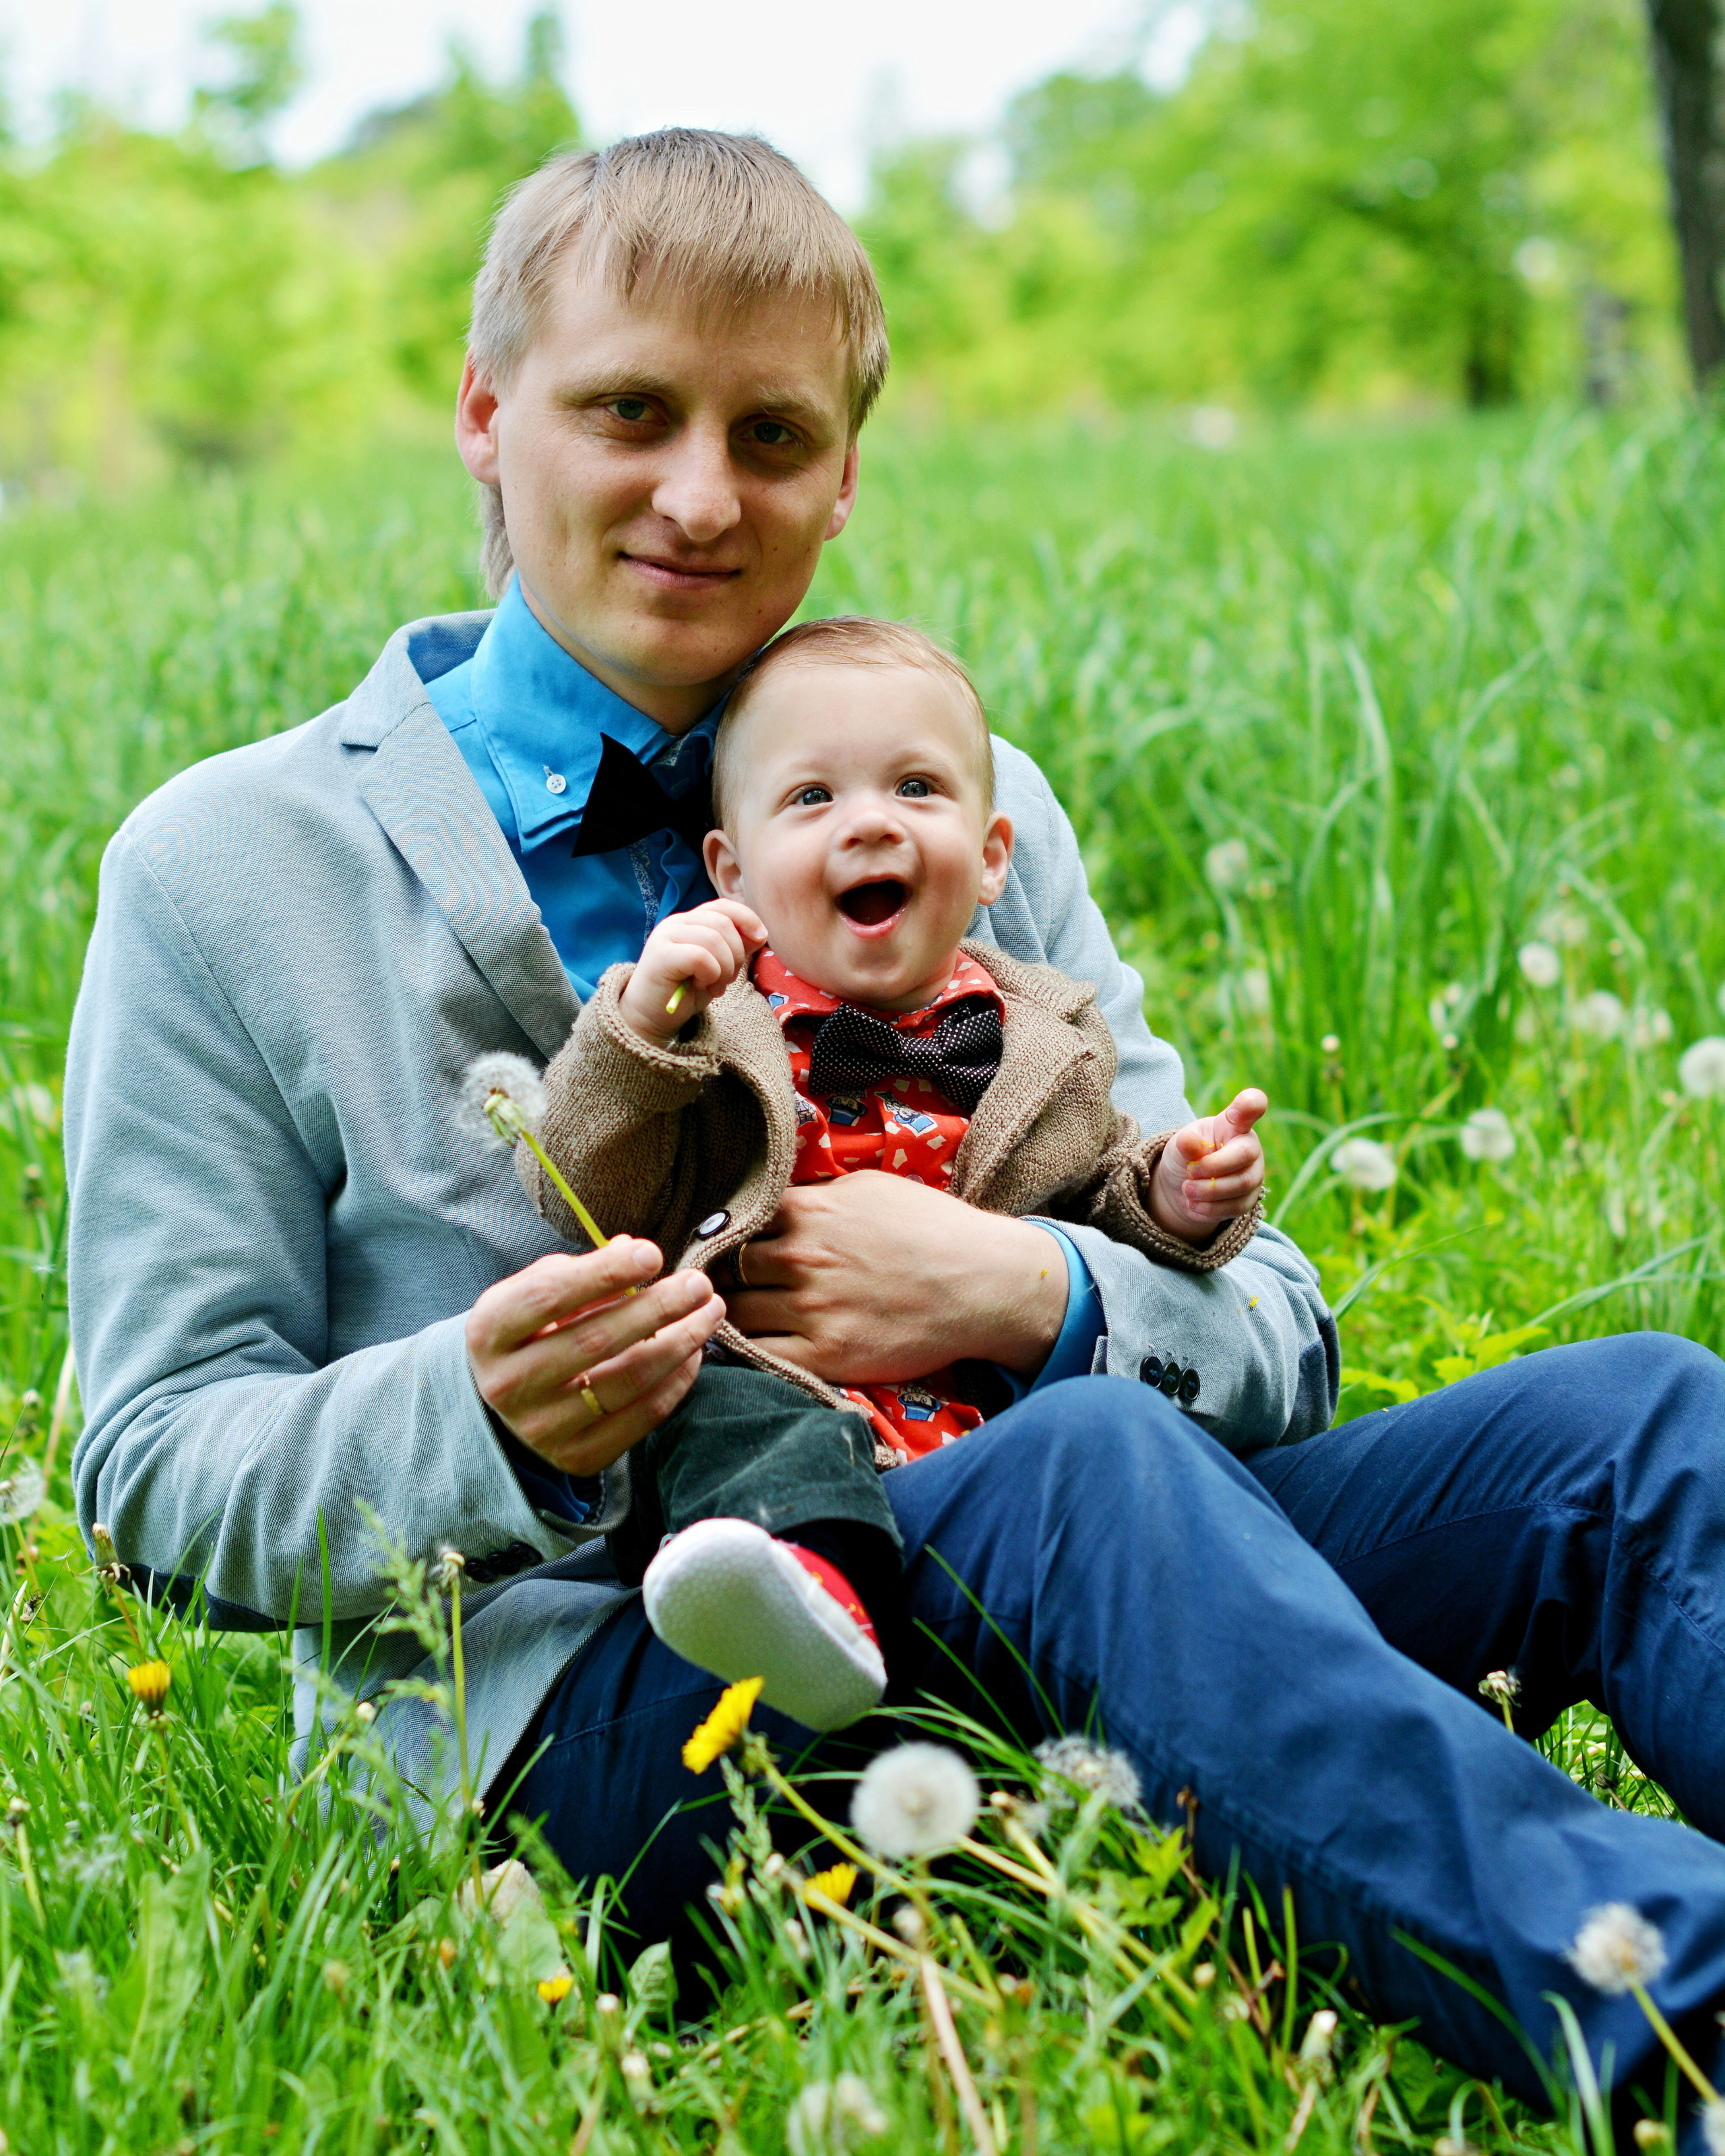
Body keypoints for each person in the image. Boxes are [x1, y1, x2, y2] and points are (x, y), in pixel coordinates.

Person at [61, 129, 1725, 2134]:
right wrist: (483, 1423)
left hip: (1083, 1558)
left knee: (1632, 1428)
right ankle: (1685, 2016)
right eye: (629, 412)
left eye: (771, 434)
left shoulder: (947, 796)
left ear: (843, 474)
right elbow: (149, 1461)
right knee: (1087, 1474)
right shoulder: (229, 868)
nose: (701, 494)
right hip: (613, 1720)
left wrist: (1034, 1291)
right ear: (488, 418)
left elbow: (1272, 1324)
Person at [513, 614, 1267, 1730]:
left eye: (916, 788)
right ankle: (808, 1596)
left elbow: (1096, 1186)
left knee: (1103, 1437)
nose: (869, 822)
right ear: (732, 872)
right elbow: (589, 1186)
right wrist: (641, 1033)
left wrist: (1173, 1192)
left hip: (990, 1427)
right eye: (812, 798)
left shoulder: (1040, 1040)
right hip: (771, 1382)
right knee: (714, 1411)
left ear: (993, 855)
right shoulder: (712, 1035)